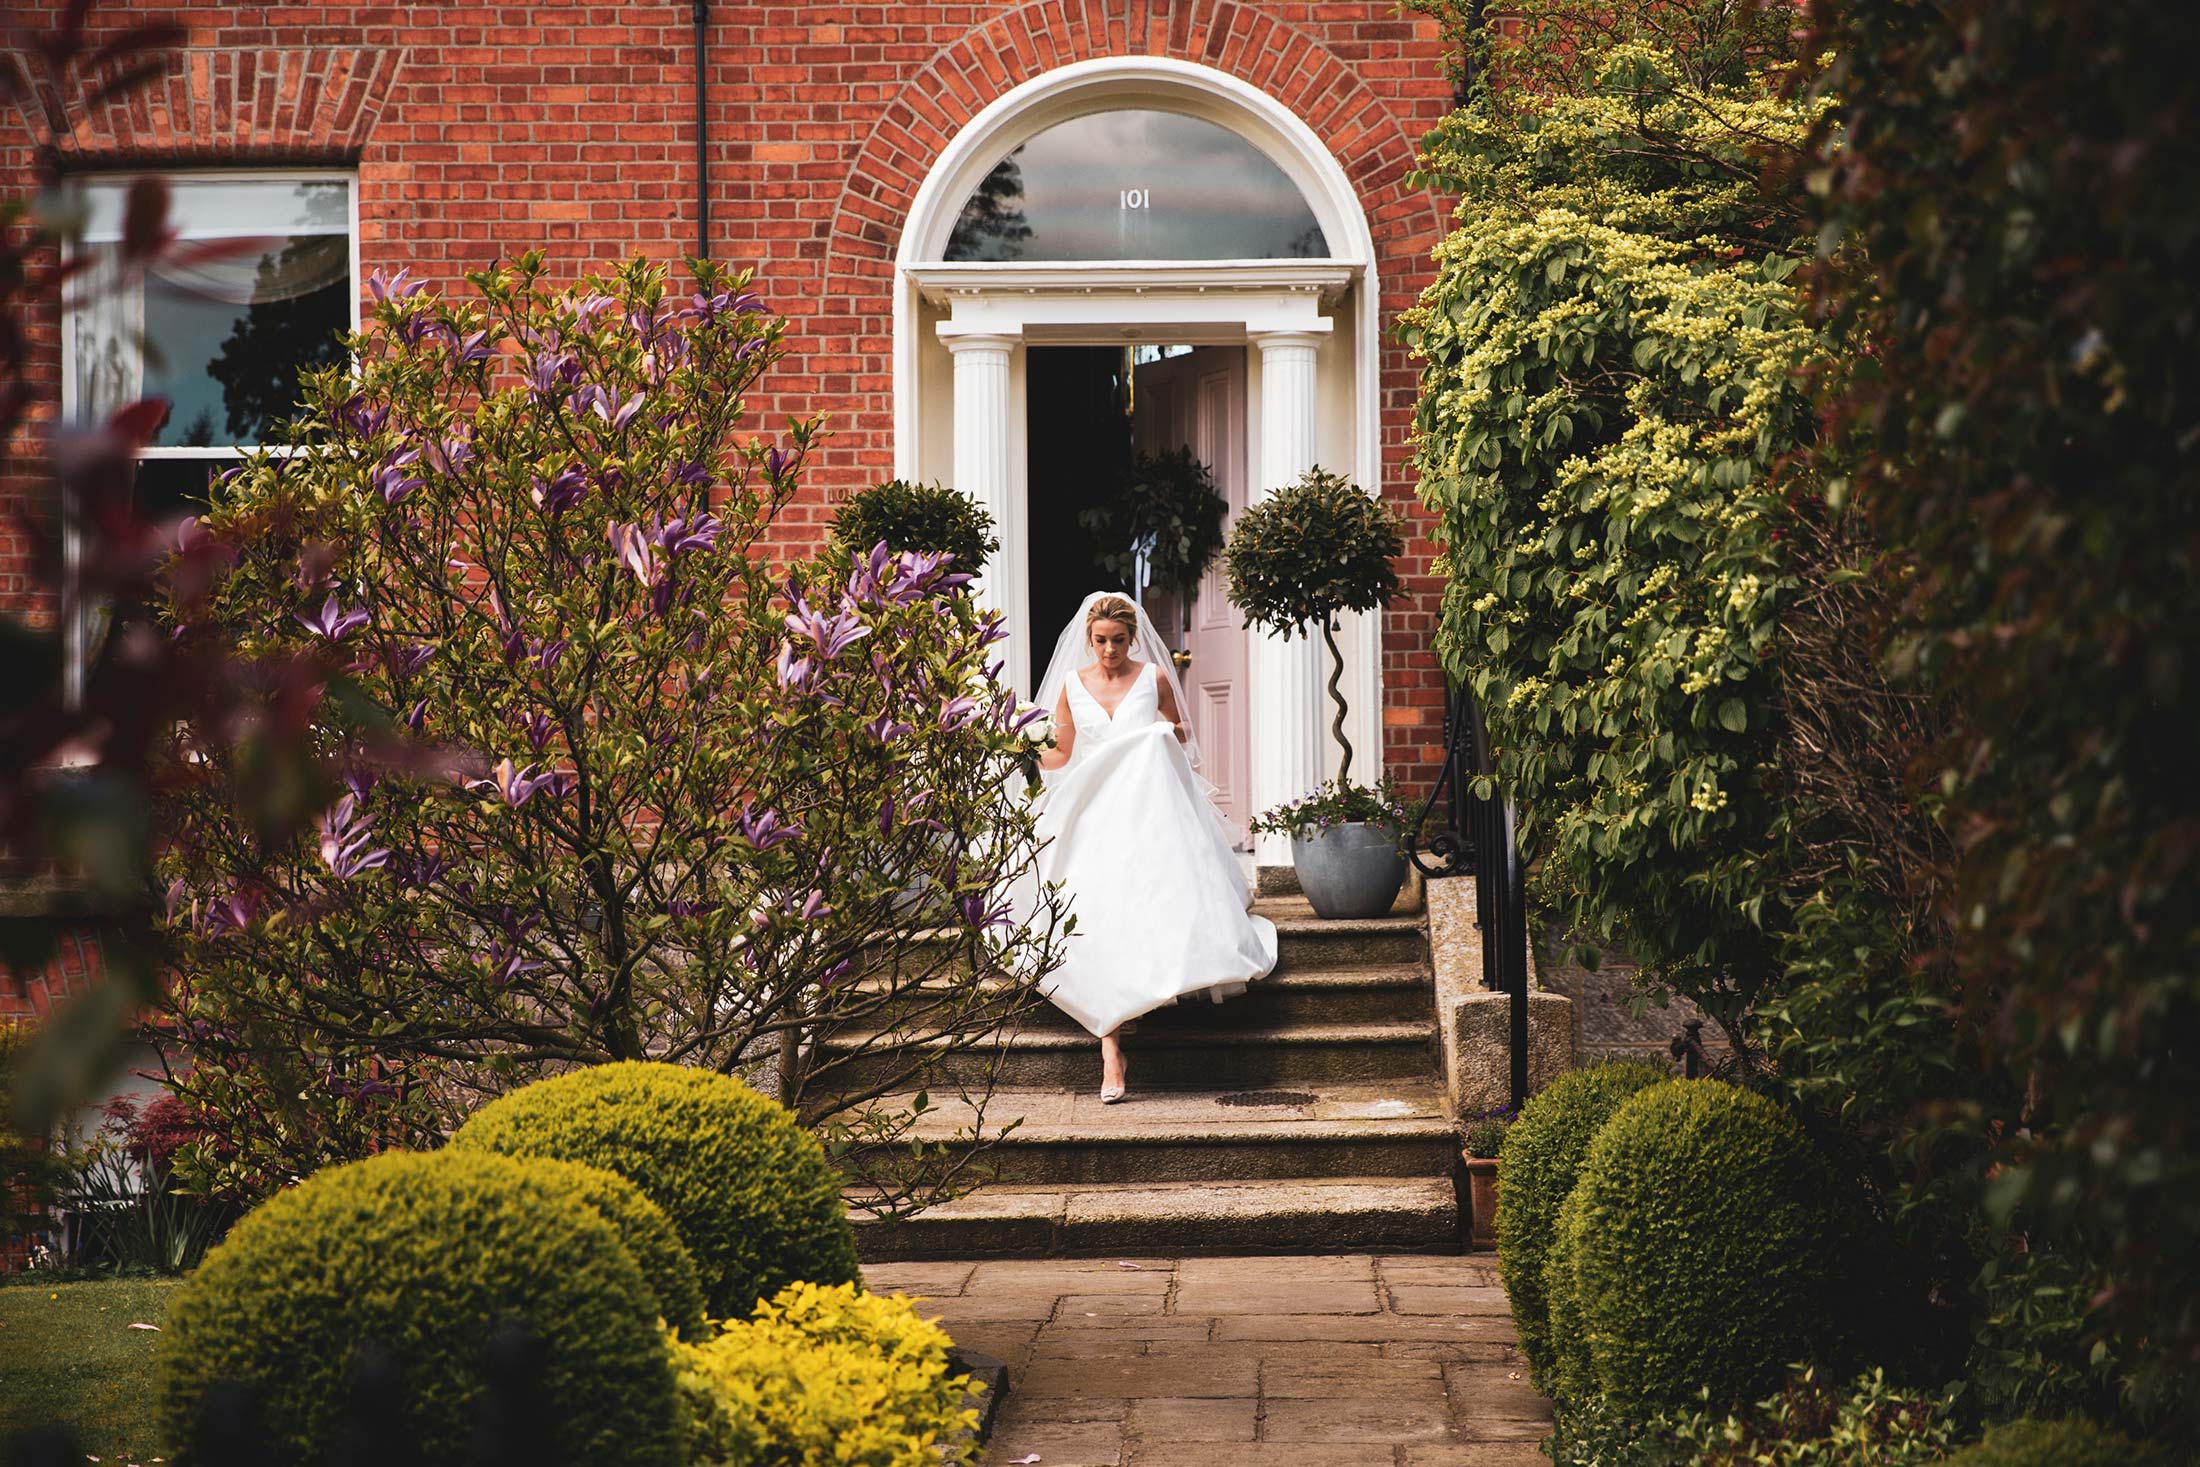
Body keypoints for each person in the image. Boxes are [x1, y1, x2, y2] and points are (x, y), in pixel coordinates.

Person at [1028, 592, 1279, 1102]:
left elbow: (1183, 733)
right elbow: (1062, 754)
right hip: (1095, 815)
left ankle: (1131, 1007)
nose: (1109, 650)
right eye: (1100, 641)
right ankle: (1110, 1048)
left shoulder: (1154, 678)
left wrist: (1162, 731)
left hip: (1149, 811)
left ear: (1132, 639)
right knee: (1098, 914)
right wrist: (1027, 745)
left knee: (1145, 906)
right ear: (1088, 640)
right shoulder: (1072, 687)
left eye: (1118, 641)